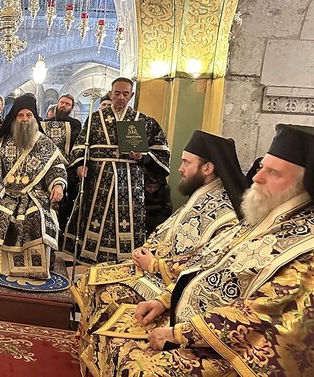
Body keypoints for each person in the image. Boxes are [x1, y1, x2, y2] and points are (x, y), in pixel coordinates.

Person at [98, 124, 314, 376]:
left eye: (273, 172)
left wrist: (180, 334)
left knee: (139, 369)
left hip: (233, 351)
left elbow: (262, 315)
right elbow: (205, 261)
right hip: (193, 322)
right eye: (261, 168)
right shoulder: (263, 219)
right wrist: (164, 300)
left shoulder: (305, 250)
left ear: (303, 184)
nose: (257, 177)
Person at [73, 130, 249, 376]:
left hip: (173, 286)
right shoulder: (201, 197)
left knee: (109, 294)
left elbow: (205, 263)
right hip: (153, 273)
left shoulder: (226, 215)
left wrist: (155, 265)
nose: (180, 169)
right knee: (92, 278)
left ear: (208, 168)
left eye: (186, 162)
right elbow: (167, 231)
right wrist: (145, 252)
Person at [68, 77, 170, 264]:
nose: (121, 97)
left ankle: (125, 260)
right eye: (117, 93)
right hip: (98, 180)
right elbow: (80, 145)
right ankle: (89, 258)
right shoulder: (94, 119)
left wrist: (142, 156)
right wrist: (80, 163)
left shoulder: (144, 121)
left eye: (125, 94)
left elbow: (162, 151)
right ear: (110, 94)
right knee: (95, 217)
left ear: (131, 95)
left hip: (130, 182)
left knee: (126, 219)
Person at [0, 94, 67, 279]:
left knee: (36, 214)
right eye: (21, 115)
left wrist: (58, 185)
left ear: (34, 117)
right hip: (7, 192)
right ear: (14, 117)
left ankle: (36, 267)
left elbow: (56, 168)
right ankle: (1, 266)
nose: (24, 119)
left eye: (28, 115)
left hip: (36, 194)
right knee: (0, 210)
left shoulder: (44, 143)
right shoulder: (3, 142)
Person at [42, 93, 83, 246]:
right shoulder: (45, 123)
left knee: (64, 205)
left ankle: (61, 239)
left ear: (71, 108)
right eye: (62, 103)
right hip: (46, 170)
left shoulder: (75, 124)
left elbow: (74, 142)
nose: (64, 106)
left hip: (67, 169)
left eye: (67, 104)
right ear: (57, 104)